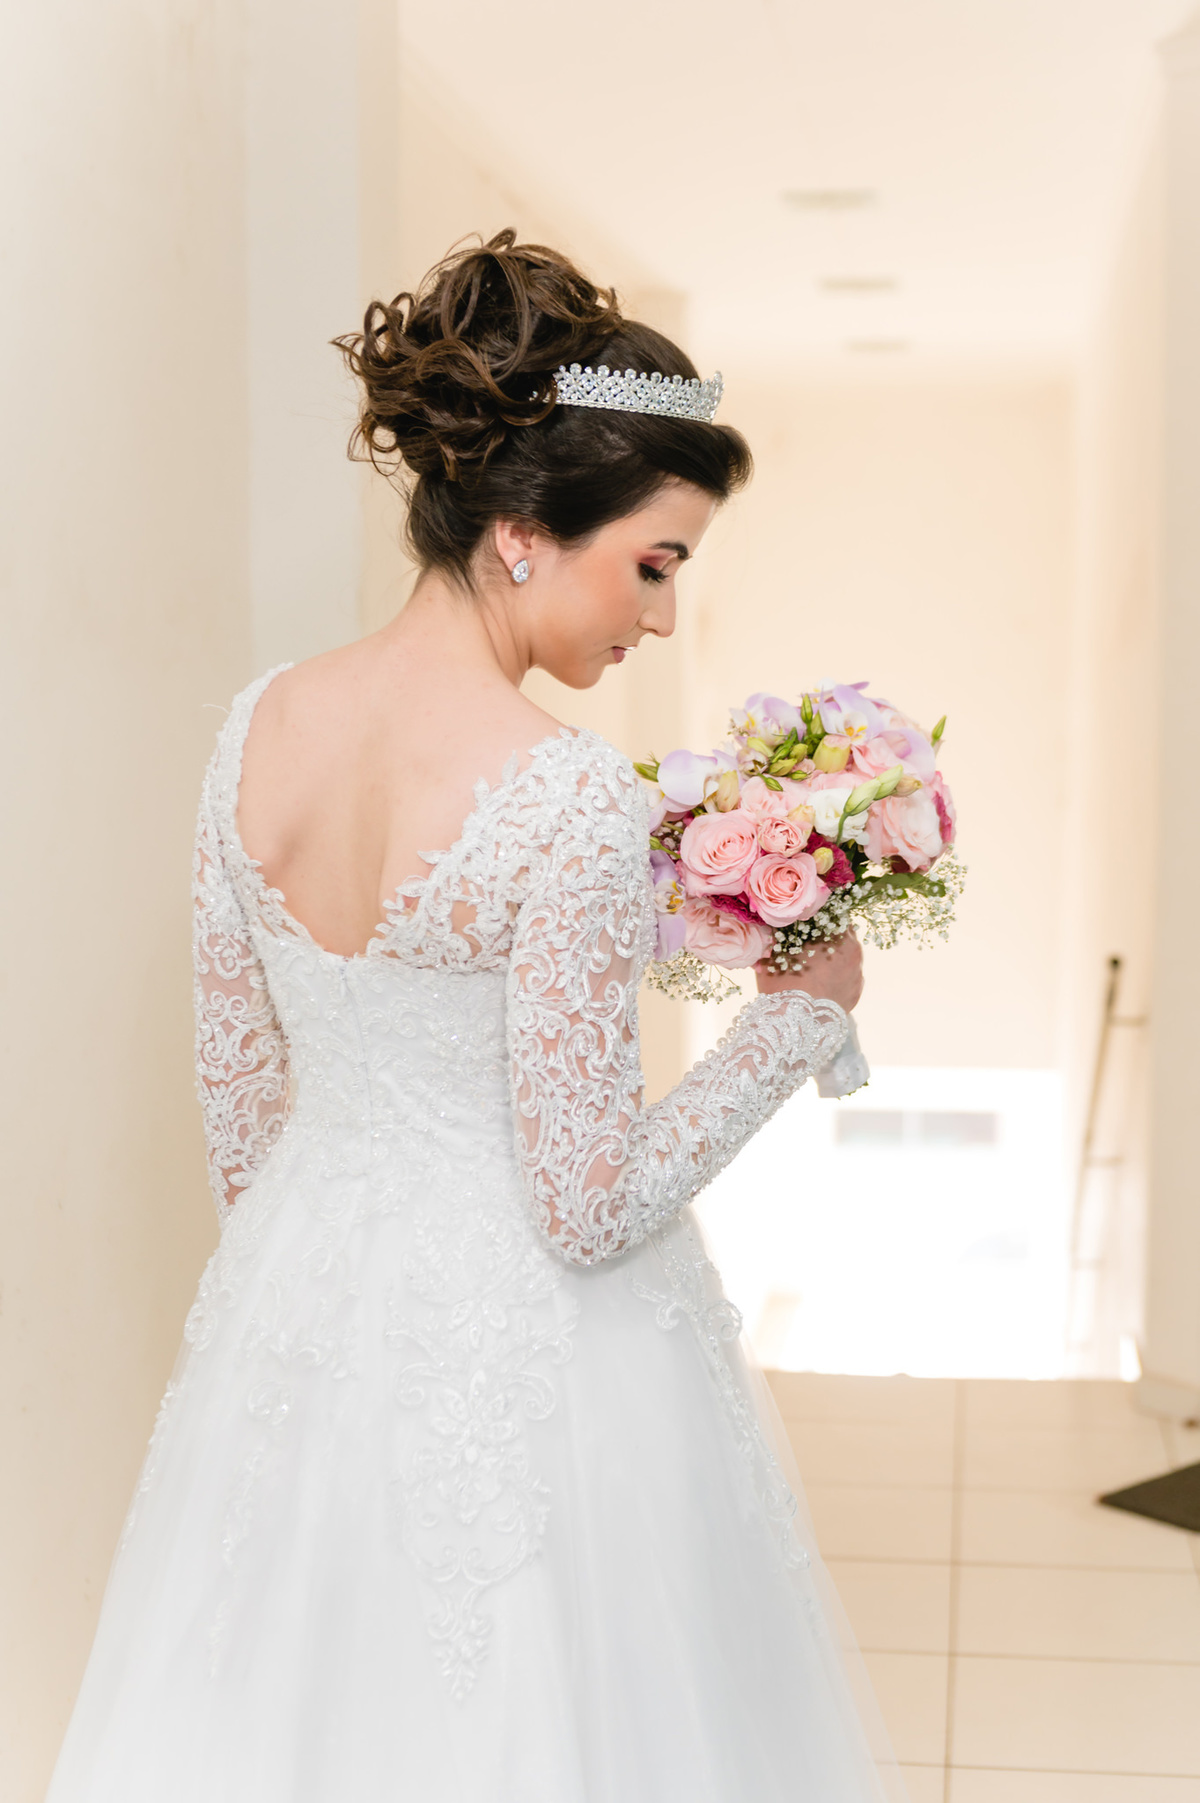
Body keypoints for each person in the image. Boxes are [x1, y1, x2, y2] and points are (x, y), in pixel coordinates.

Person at [47, 231, 906, 1801]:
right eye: (654, 564)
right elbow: (586, 1207)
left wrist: (313, 1308)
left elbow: (239, 1101)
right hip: (533, 1360)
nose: (661, 619)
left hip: (298, 1314)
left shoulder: (256, 728)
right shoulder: (567, 795)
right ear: (522, 534)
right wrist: (794, 1026)